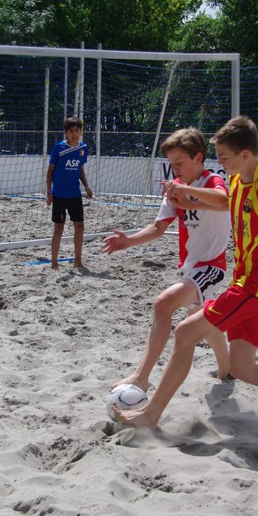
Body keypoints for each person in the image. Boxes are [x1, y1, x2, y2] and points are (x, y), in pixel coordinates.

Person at [114, 116, 258, 429]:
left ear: (244, 155)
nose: (219, 163)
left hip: (257, 286)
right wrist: (187, 199)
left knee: (185, 332)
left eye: (223, 157)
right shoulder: (237, 179)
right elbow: (225, 204)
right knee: (243, 367)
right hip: (246, 281)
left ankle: (150, 416)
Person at [103, 127, 231, 390]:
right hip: (191, 267)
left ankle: (141, 377)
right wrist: (128, 241)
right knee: (205, 323)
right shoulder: (175, 190)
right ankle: (227, 370)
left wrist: (187, 195)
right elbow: (158, 228)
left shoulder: (212, 181)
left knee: (163, 304)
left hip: (211, 267)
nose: (175, 169)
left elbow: (224, 200)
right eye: (172, 164)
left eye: (179, 162)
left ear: (198, 157)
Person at [46, 116, 94, 270]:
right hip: (59, 195)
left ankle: (77, 261)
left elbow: (80, 169)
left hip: (75, 195)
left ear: (80, 132)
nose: (74, 134)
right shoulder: (59, 148)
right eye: (71, 131)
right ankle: (54, 263)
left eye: (77, 131)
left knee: (80, 226)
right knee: (59, 228)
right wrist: (49, 193)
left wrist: (87, 186)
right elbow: (50, 171)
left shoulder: (83, 148)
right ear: (66, 132)